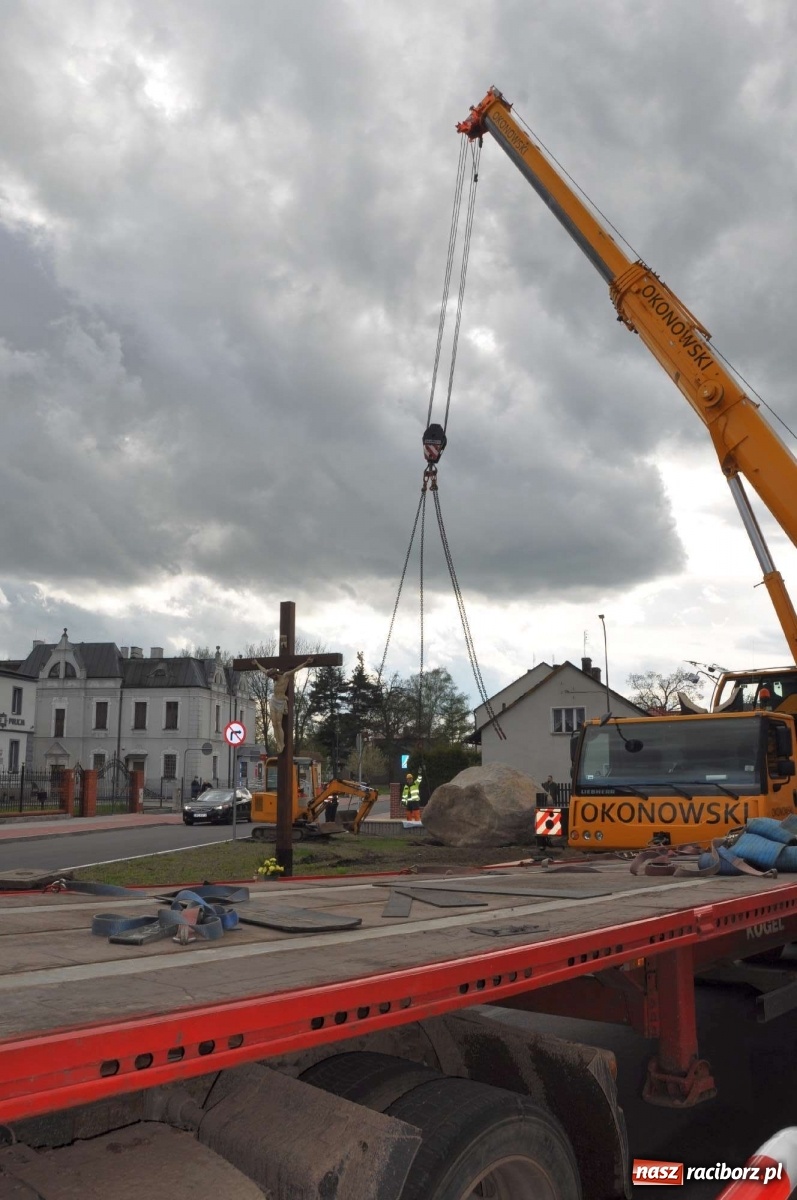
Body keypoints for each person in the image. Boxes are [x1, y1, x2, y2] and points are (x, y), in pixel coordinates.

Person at [254, 657, 314, 755]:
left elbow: (296, 669)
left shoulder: (285, 676)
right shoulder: (273, 677)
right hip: (274, 700)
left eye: (273, 677)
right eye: (272, 678)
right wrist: (257, 663)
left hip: (281, 701)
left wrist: (306, 662)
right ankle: (278, 743)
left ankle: (282, 744)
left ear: (275, 673)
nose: (273, 679)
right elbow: (263, 670)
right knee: (273, 724)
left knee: (278, 723)